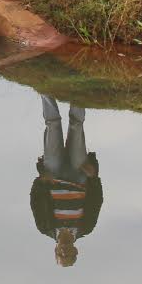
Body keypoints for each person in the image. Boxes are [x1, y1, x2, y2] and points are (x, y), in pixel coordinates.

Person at [29, 94, 102, 268]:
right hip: (79, 176)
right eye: (68, 255)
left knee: (53, 125)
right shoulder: (87, 226)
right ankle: (77, 90)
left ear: (55, 251)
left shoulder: (44, 226)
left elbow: (35, 200)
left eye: (61, 255)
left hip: (54, 175)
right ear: (76, 251)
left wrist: (41, 180)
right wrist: (94, 176)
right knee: (76, 126)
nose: (64, 251)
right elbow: (96, 200)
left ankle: (44, 88)